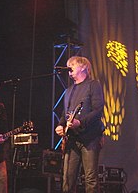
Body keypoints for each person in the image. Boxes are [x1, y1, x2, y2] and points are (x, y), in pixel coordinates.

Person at [55, 56, 104, 193]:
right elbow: (66, 112)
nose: (68, 68)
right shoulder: (69, 90)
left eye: (72, 65)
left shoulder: (93, 85)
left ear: (83, 67)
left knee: (90, 178)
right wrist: (61, 125)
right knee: (68, 178)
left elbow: (98, 110)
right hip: (72, 139)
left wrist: (80, 122)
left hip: (90, 138)